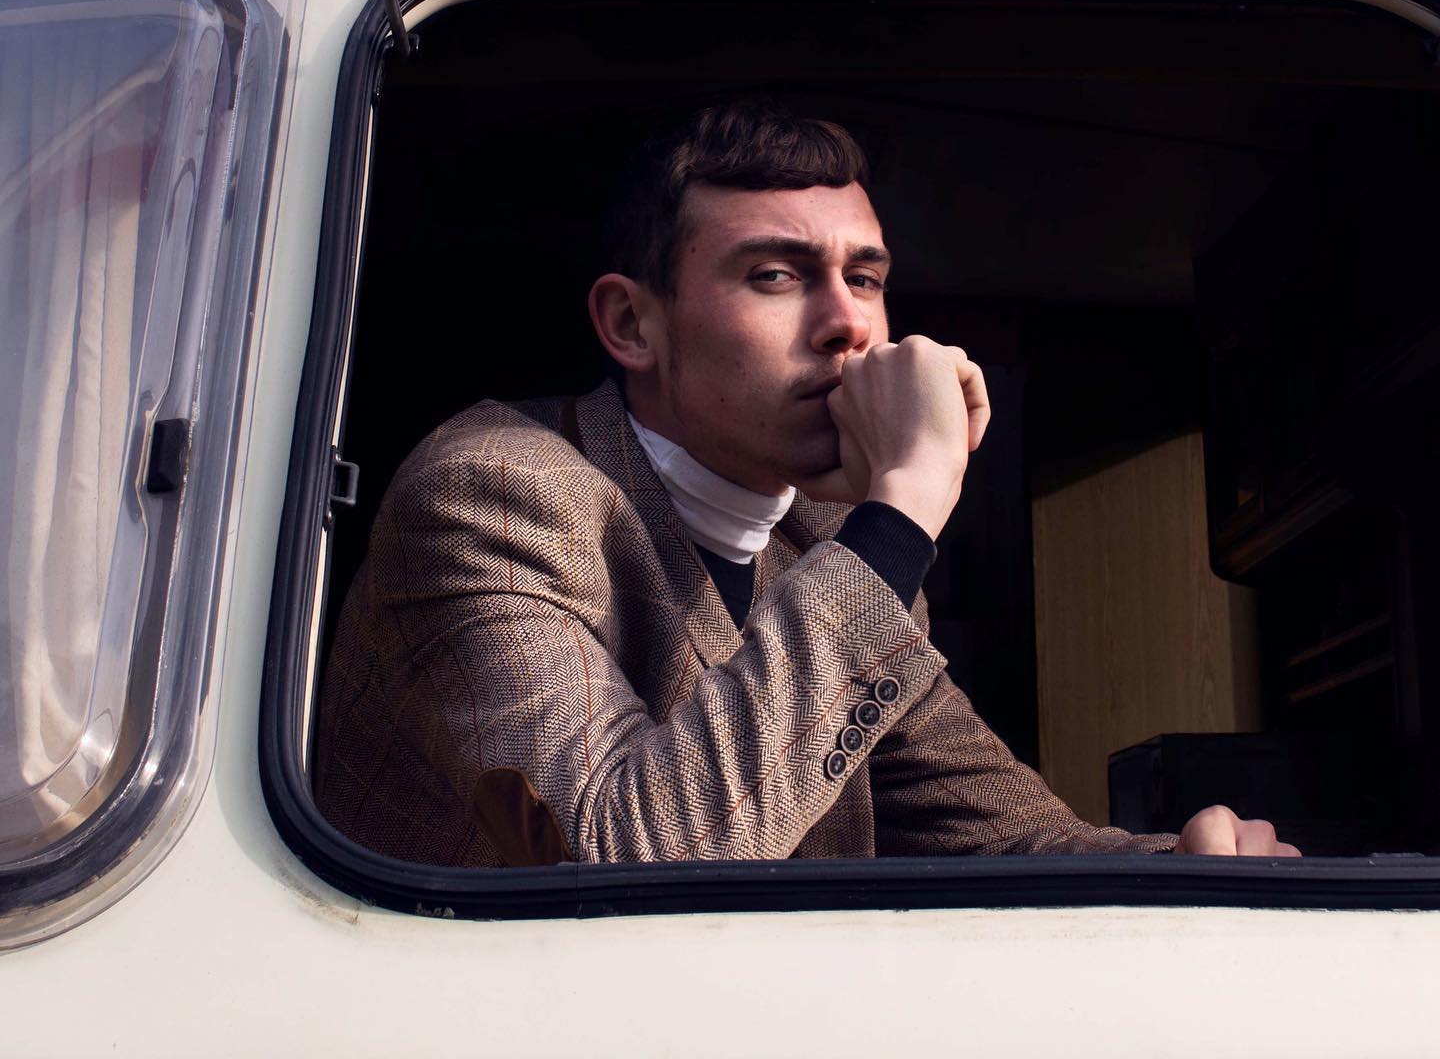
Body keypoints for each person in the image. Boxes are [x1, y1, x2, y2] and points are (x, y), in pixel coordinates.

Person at [315, 101, 1298, 866]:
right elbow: (615, 869)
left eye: (864, 278)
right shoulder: (489, 491)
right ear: (631, 325)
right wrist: (909, 495)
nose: (848, 324)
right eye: (777, 276)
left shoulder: (834, 543)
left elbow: (1010, 839)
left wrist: (1182, 863)